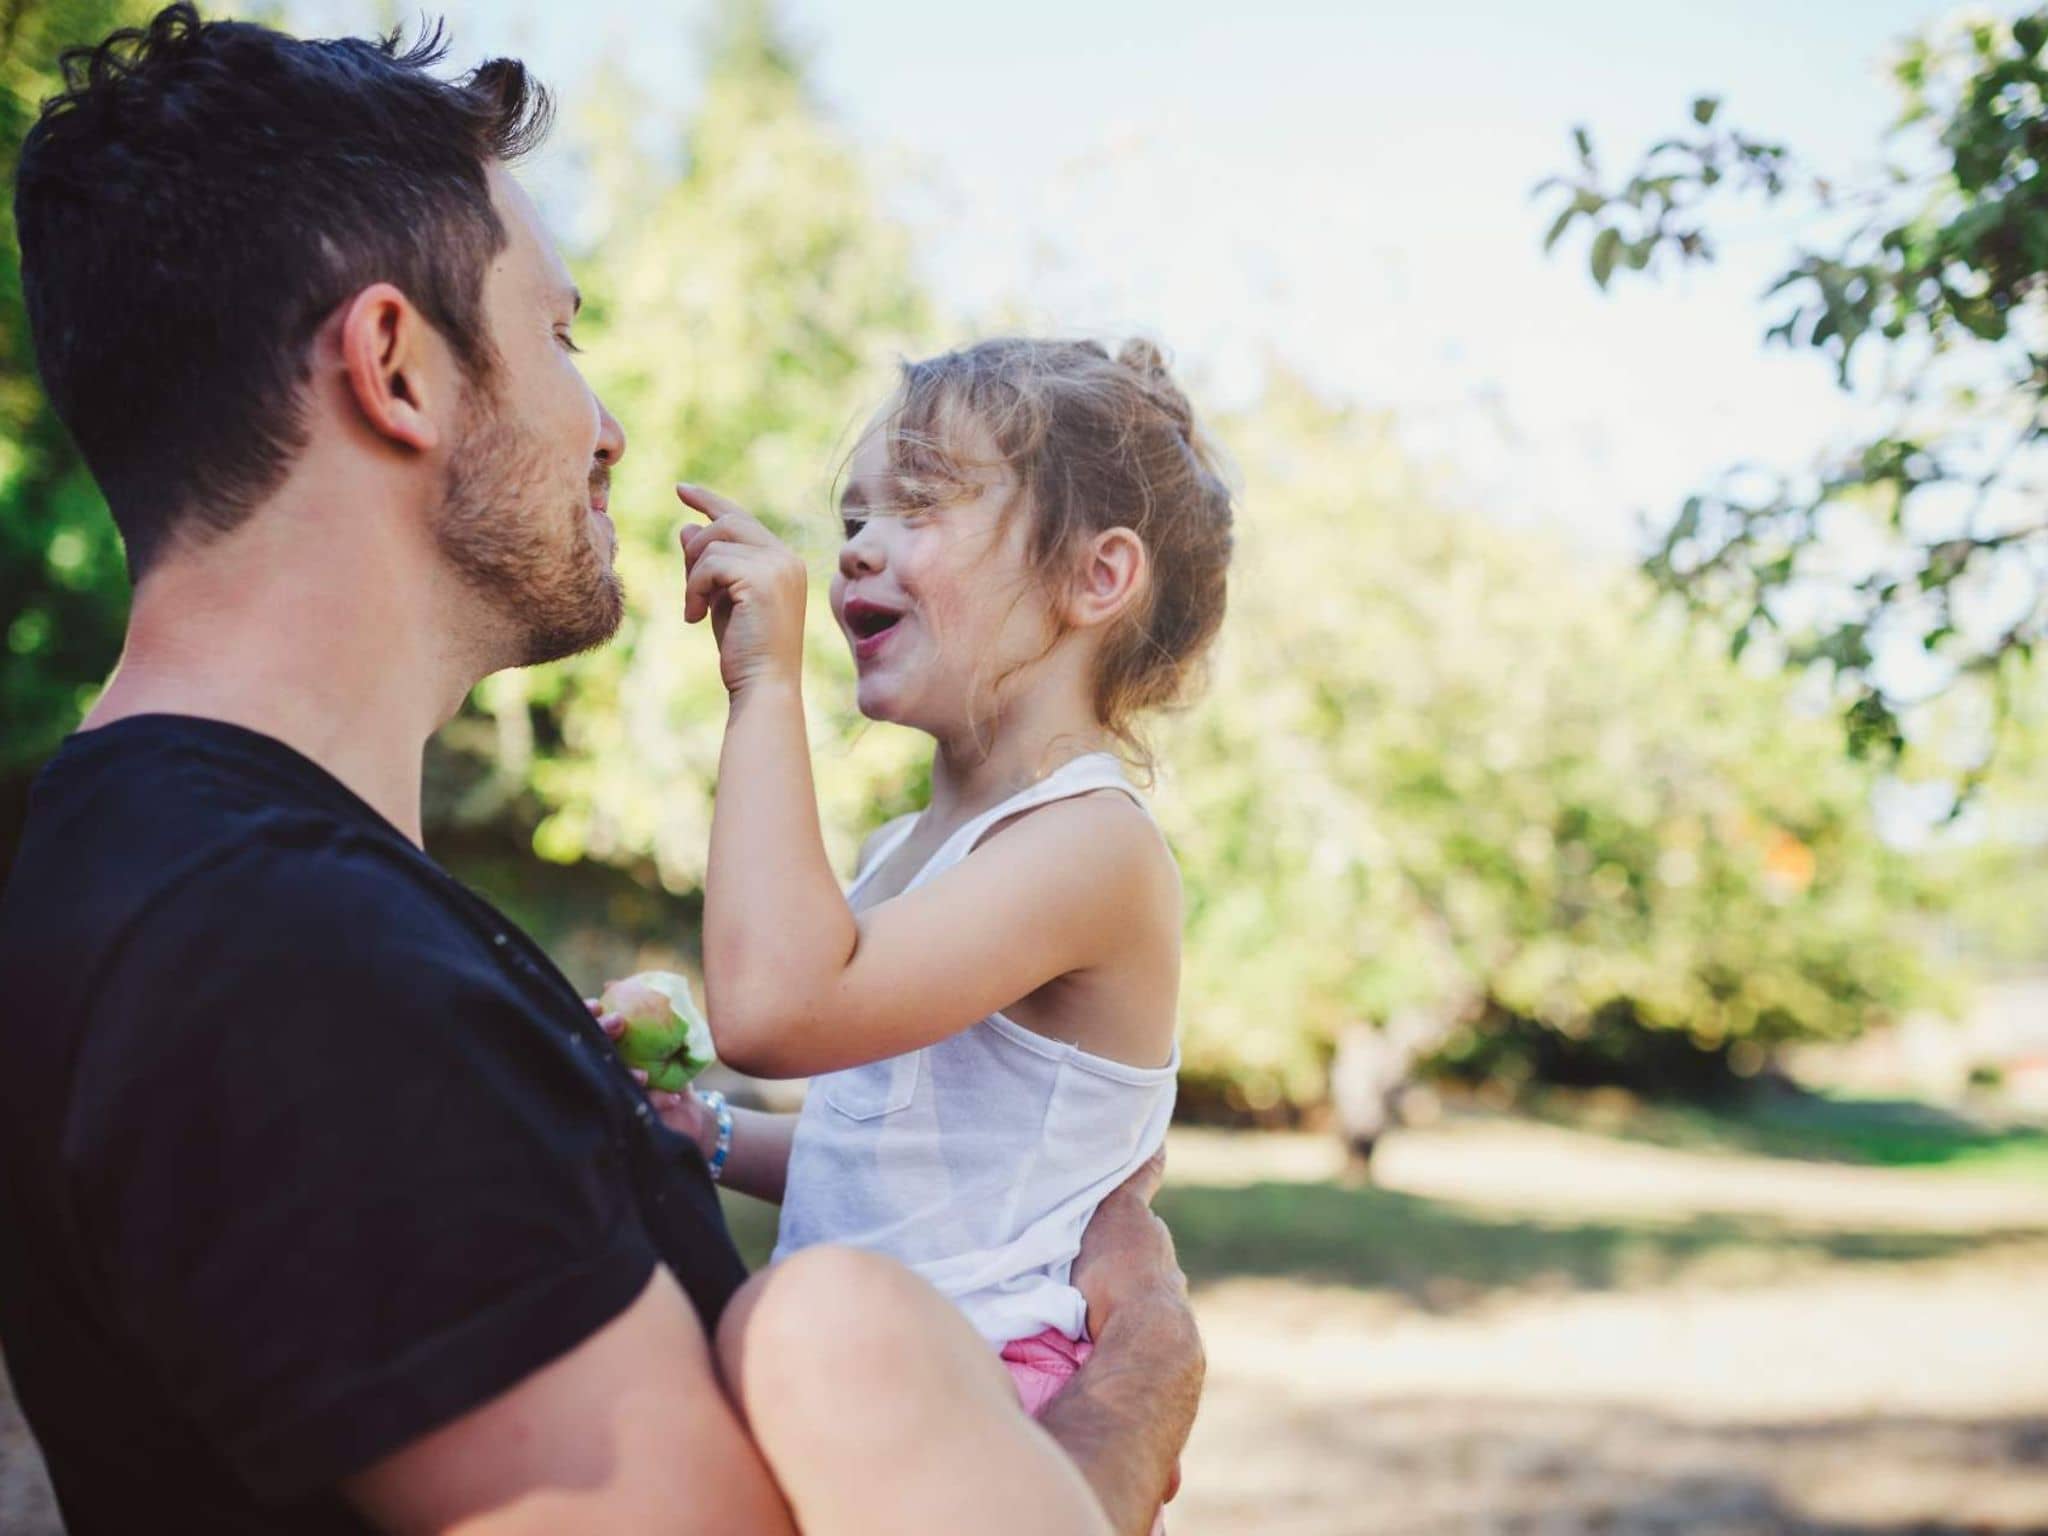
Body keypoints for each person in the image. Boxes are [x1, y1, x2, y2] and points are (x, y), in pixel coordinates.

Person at [0, 8, 1202, 1535]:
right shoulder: (288, 959)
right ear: (396, 367)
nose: (610, 424)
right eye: (559, 336)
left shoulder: (183, 870)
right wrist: (1132, 1410)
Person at [642, 339, 1229, 1519]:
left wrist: (764, 690)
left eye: (916, 504)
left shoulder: (1088, 847)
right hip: (874, 1382)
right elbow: (888, 1167)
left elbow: (770, 1009)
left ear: (1094, 577)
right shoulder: (898, 853)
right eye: (851, 512)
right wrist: (697, 1131)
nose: (856, 543)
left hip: (988, 1405)